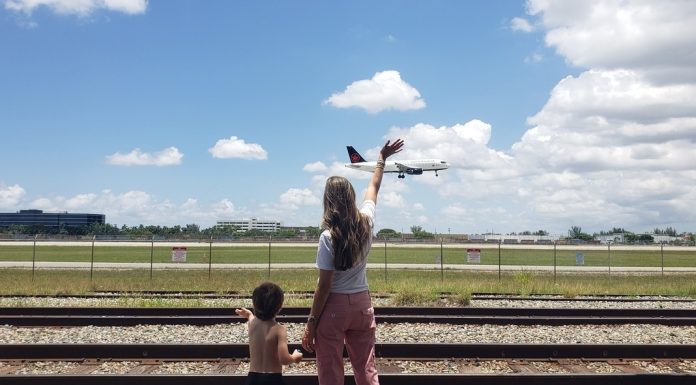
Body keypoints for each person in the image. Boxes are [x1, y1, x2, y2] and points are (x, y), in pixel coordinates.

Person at [301, 139, 404, 385]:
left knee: (330, 370)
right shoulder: (367, 222)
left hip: (334, 308)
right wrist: (381, 158)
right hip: (362, 304)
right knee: (366, 367)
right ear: (351, 197)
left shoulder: (328, 237)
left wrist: (311, 323)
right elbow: (374, 186)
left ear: (329, 201)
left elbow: (323, 287)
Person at [236, 282, 303, 385]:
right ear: (279, 307)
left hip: (252, 379)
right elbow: (284, 359)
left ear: (255, 304)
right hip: (273, 379)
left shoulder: (252, 325)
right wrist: (295, 357)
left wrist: (249, 314)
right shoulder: (279, 329)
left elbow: (251, 319)